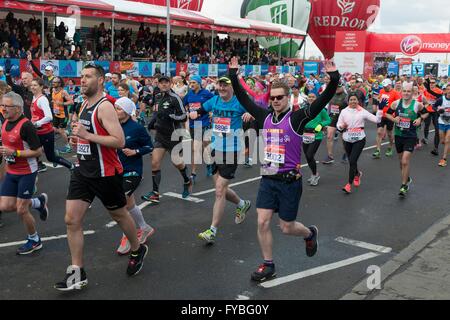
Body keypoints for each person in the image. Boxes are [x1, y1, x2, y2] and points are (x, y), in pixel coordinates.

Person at [229, 57, 339, 281]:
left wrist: (334, 78)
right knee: (262, 221)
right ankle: (268, 264)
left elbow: (322, 99)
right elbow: (243, 98)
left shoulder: (297, 118)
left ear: (288, 98)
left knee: (287, 228)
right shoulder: (263, 116)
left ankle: (309, 234)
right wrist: (233, 75)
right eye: (273, 97)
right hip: (268, 178)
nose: (276, 100)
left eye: (280, 97)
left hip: (290, 181)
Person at [54, 64, 148, 291]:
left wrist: (88, 135)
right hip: (83, 171)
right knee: (71, 220)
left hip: (106, 173)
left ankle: (137, 248)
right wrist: (80, 140)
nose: (83, 80)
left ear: (100, 81)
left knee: (119, 214)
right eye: (82, 76)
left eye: (88, 77)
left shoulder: (105, 107)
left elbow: (119, 141)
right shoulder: (84, 103)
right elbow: (89, 137)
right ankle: (77, 271)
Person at [189, 76, 252, 244]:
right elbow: (202, 109)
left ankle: (213, 230)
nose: (222, 88)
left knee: (219, 190)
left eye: (226, 85)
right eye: (220, 85)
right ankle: (242, 203)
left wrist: (248, 113)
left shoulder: (239, 101)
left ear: (232, 87)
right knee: (221, 189)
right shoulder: (214, 100)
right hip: (216, 147)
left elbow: (254, 110)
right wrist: (196, 113)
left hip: (233, 150)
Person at [0, 92, 49, 254]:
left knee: (21, 209)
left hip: (27, 172)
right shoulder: (6, 121)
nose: (3, 109)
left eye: (7, 106)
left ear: (18, 108)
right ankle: (38, 202)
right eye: (2, 105)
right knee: (5, 206)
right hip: (11, 171)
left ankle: (34, 239)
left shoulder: (26, 126)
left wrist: (16, 153)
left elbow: (38, 151)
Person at [141, 75, 192, 203]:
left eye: (166, 82)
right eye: (161, 83)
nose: (163, 85)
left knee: (177, 163)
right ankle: (155, 193)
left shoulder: (175, 98)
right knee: (154, 162)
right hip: (160, 135)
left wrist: (171, 116)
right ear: (158, 84)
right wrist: (153, 123)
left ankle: (187, 180)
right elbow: (157, 113)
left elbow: (184, 116)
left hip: (173, 136)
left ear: (170, 84)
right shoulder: (157, 97)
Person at [114, 97, 155, 255]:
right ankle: (144, 228)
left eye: (118, 108)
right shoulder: (113, 126)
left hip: (133, 170)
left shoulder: (136, 128)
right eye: (115, 108)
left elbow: (149, 146)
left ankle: (127, 237)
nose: (115, 111)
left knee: (121, 204)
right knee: (129, 204)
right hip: (116, 170)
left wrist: (135, 152)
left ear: (126, 111)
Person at [385, 83, 428, 197]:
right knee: (401, 162)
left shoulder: (417, 104)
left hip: (410, 136)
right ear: (401, 92)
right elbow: (387, 114)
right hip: (399, 135)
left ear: (412, 92)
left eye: (408, 91)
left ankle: (404, 185)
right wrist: (394, 119)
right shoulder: (396, 103)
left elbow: (426, 113)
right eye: (404, 91)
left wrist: (419, 119)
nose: (406, 93)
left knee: (405, 161)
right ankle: (407, 177)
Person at [337, 93, 379, 194]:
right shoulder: (344, 111)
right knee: (352, 161)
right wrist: (341, 126)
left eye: (355, 100)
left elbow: (377, 120)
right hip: (347, 139)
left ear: (358, 101)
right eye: (351, 100)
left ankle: (348, 185)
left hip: (359, 140)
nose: (353, 101)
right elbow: (338, 125)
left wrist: (380, 109)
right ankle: (357, 174)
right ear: (348, 101)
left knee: (352, 161)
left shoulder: (362, 111)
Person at [30, 78, 74, 172]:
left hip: (45, 132)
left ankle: (71, 166)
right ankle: (35, 170)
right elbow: (35, 115)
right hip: (38, 131)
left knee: (51, 157)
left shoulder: (42, 99)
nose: (32, 87)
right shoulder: (34, 97)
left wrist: (37, 123)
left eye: (35, 85)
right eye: (32, 85)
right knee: (33, 153)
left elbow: (49, 116)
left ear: (41, 87)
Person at [184, 75, 215, 182]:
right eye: (190, 82)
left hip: (204, 123)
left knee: (202, 148)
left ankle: (202, 168)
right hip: (193, 125)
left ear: (199, 83)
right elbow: (184, 105)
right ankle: (198, 170)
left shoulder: (206, 93)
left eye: (194, 82)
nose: (191, 84)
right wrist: (187, 112)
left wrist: (212, 113)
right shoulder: (189, 95)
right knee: (198, 149)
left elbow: (216, 101)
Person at [302, 93, 331, 186]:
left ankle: (315, 175)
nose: (311, 98)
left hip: (316, 135)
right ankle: (314, 173)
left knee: (310, 155)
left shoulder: (321, 109)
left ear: (316, 98)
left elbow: (328, 120)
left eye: (313, 97)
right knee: (307, 156)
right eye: (309, 97)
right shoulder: (304, 109)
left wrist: (321, 125)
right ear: (307, 98)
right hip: (305, 135)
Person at [372, 79, 401, 159]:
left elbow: (399, 104)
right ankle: (377, 150)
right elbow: (379, 99)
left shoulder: (395, 93)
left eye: (386, 86)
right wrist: (378, 103)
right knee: (379, 132)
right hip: (381, 115)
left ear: (390, 85)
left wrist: (396, 114)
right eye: (383, 86)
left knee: (389, 133)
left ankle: (390, 147)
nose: (384, 88)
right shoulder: (381, 91)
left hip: (390, 116)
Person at [323, 80, 348, 164]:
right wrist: (327, 116)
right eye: (336, 87)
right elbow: (329, 106)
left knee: (344, 138)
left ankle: (346, 153)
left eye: (339, 87)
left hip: (343, 118)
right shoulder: (332, 94)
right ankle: (330, 156)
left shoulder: (346, 96)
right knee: (329, 136)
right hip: (333, 117)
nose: (337, 88)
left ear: (342, 87)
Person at [51, 77, 73, 154]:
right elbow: (54, 100)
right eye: (53, 82)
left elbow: (71, 102)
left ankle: (68, 147)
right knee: (53, 129)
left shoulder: (64, 92)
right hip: (55, 114)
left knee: (60, 131)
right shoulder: (53, 90)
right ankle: (65, 132)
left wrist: (62, 103)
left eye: (55, 82)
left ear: (59, 83)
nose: (53, 83)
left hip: (63, 115)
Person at [424, 77, 443, 155]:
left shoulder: (439, 91)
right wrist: (425, 103)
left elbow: (438, 97)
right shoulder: (426, 91)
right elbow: (424, 99)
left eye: (433, 82)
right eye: (430, 83)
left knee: (437, 128)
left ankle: (436, 148)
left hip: (435, 111)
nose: (432, 84)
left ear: (436, 83)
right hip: (428, 110)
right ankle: (425, 138)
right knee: (427, 124)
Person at [433, 84, 450, 167]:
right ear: (446, 90)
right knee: (442, 140)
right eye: (448, 89)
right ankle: (448, 147)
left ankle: (444, 158)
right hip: (441, 122)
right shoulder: (441, 99)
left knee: (447, 140)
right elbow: (434, 106)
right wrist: (438, 110)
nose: (449, 91)